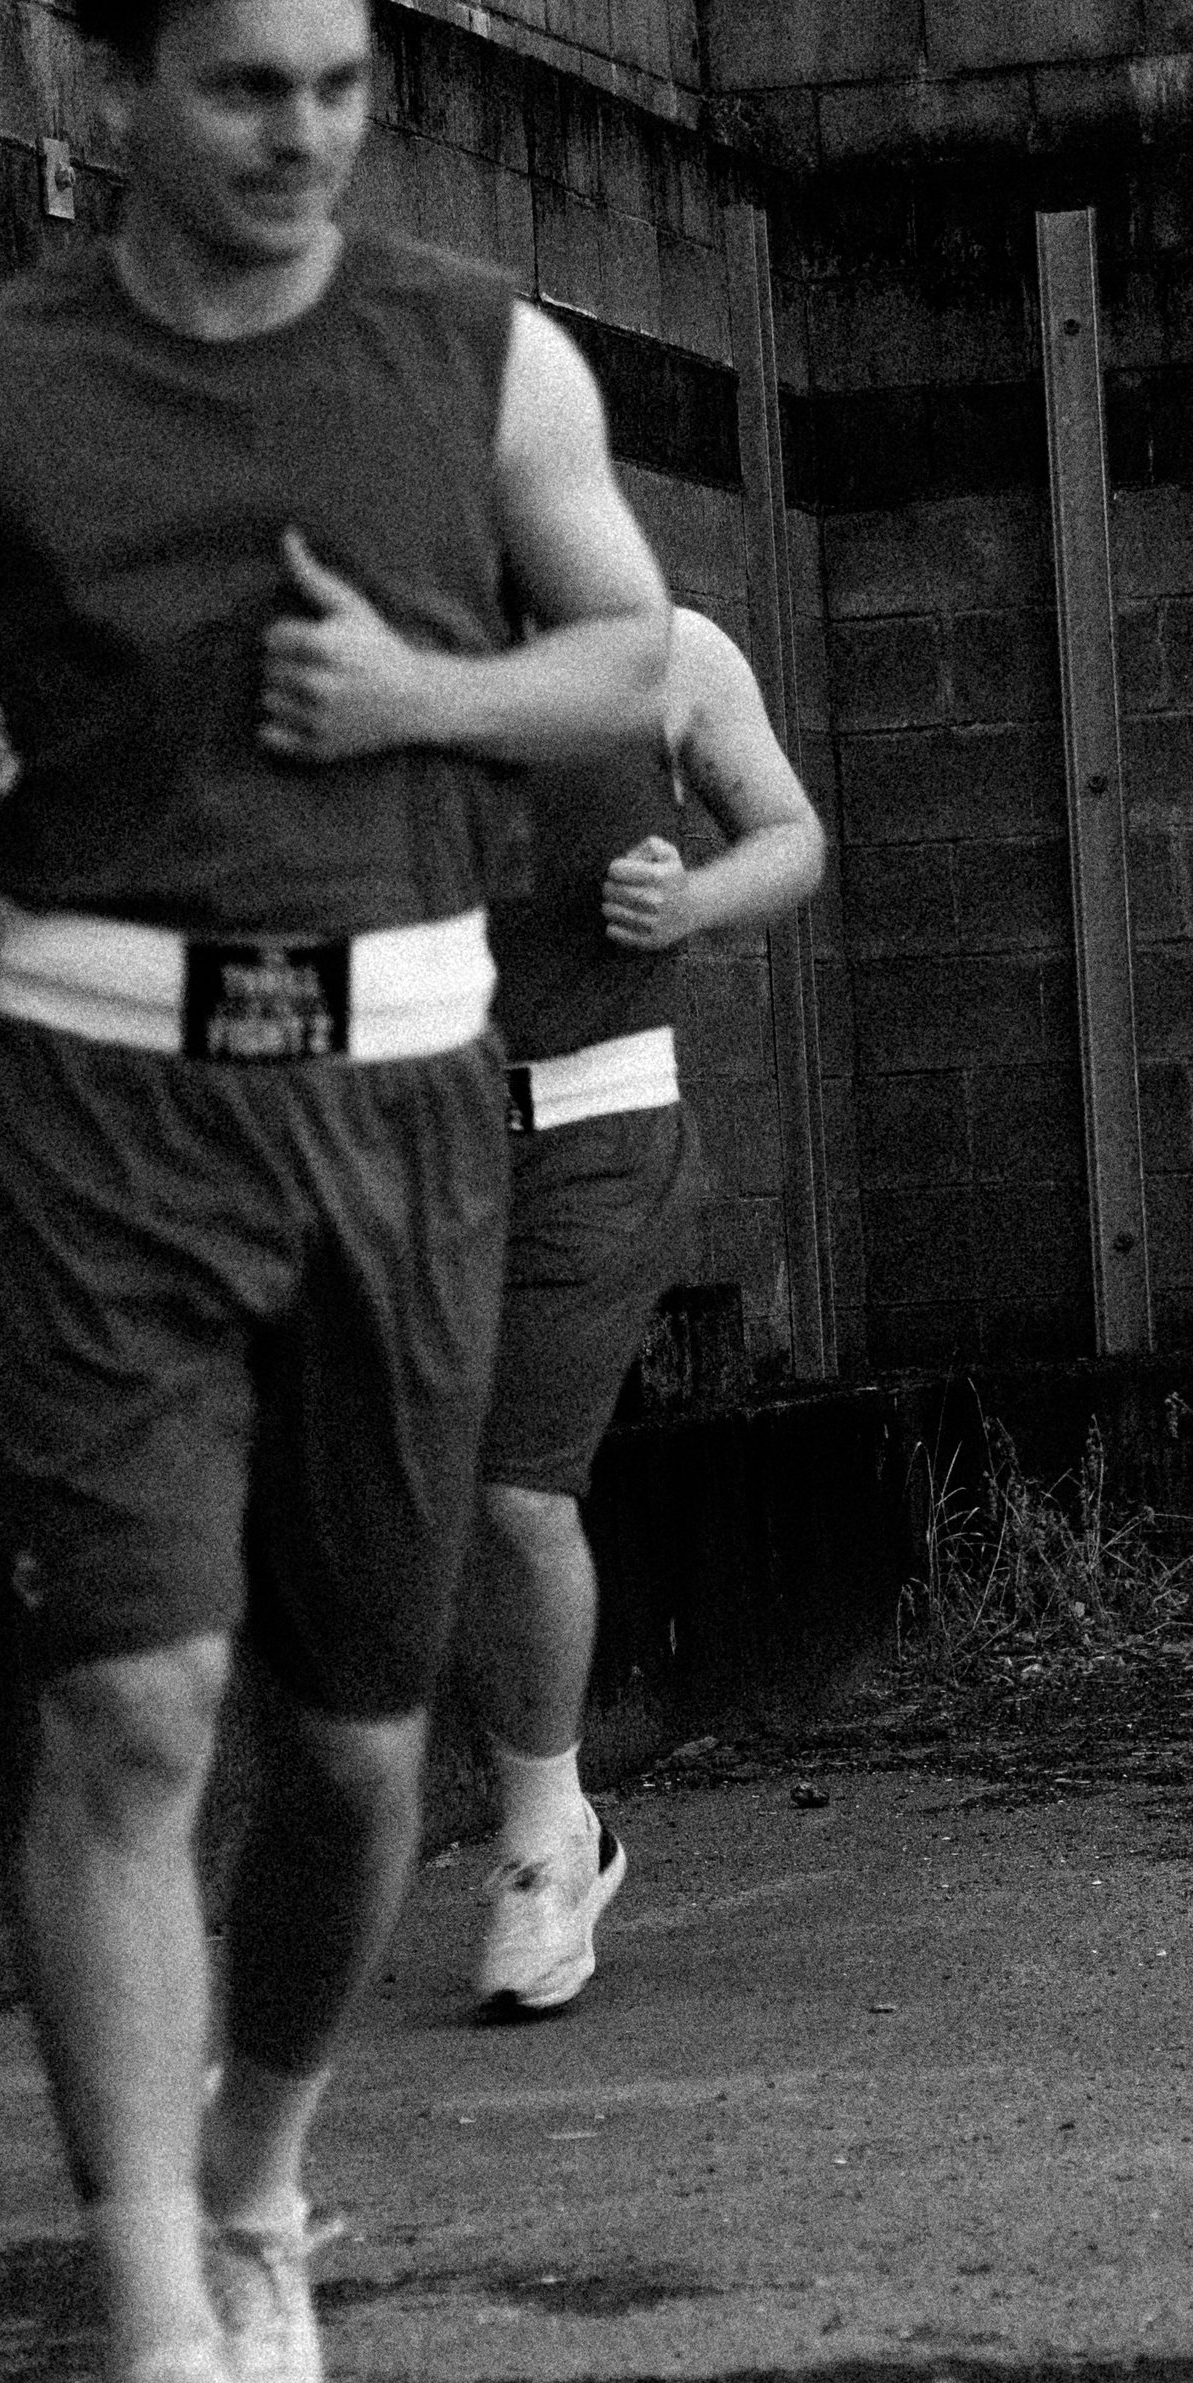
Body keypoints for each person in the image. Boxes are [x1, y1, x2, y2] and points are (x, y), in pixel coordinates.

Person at [0, 0, 671, 2383]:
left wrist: (424, 683)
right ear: (115, 93)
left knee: (355, 1746)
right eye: (244, 86)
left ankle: (264, 2170)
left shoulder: (482, 358)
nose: (303, 136)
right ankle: (156, 2320)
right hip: (101, 1099)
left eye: (338, 90)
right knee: (134, 1698)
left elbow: (628, 645)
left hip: (407, 1098)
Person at [455, 607, 825, 2014]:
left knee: (518, 1492)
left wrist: (696, 902)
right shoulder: (371, 638)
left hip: (599, 1128)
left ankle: (546, 1836)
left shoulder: (670, 649)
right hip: (408, 1136)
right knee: (402, 1500)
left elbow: (792, 835)